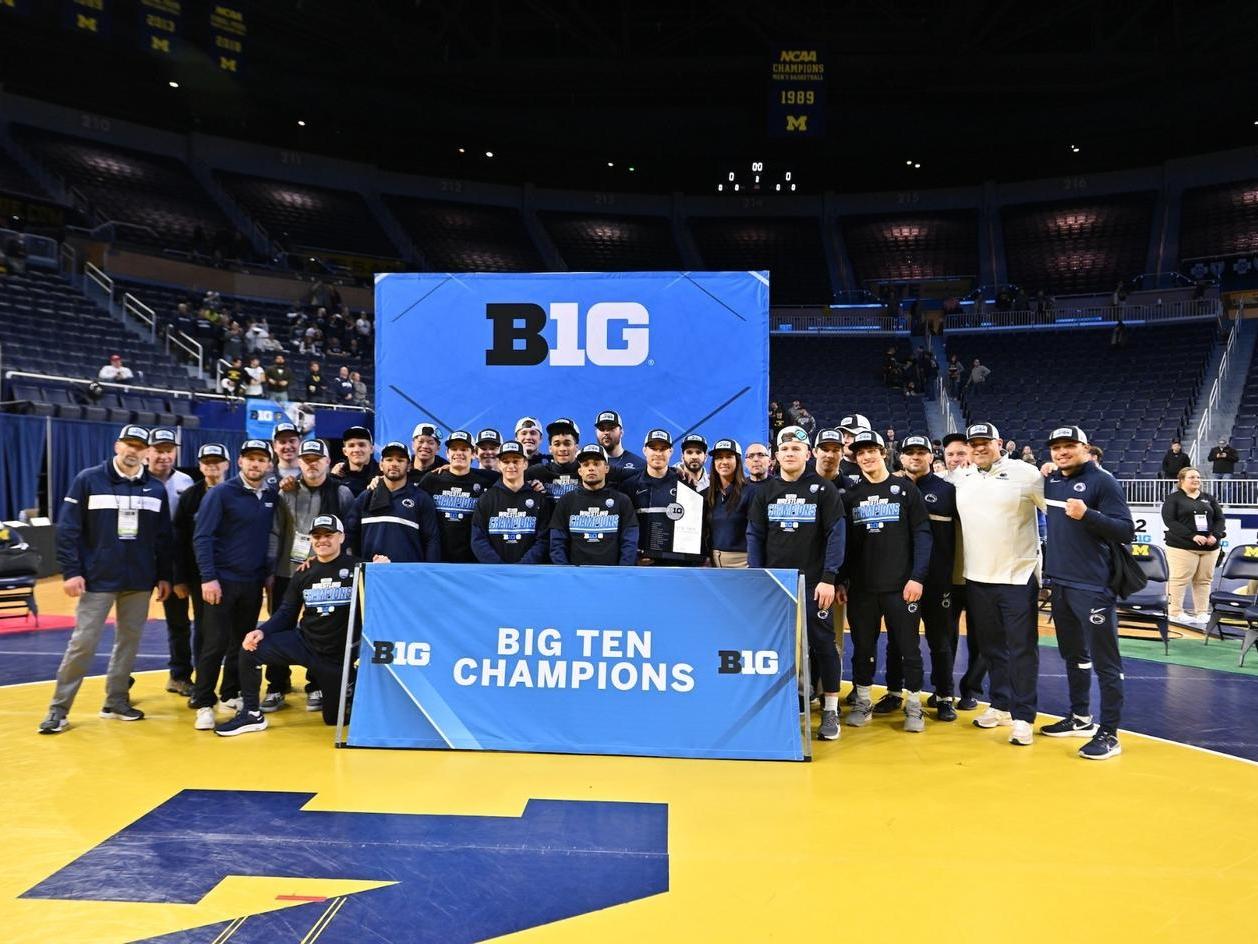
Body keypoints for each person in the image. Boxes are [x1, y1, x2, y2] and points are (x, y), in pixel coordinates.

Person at [39, 425, 173, 734]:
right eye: (128, 444)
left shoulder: (155, 489)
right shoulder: (88, 479)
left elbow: (163, 539)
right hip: (97, 579)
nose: (133, 451)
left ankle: (116, 701)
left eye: (140, 447)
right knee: (82, 644)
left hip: (139, 581)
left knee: (129, 643)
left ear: (147, 453)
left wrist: (164, 575)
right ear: (117, 446)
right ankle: (58, 710)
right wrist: (71, 571)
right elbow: (68, 530)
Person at [947, 422, 1046, 747]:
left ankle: (1023, 717)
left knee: (1021, 650)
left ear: (999, 443)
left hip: (1017, 577)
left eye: (984, 443)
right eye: (973, 443)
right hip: (977, 578)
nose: (979, 448)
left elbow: (1056, 513)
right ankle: (1001, 704)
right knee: (991, 649)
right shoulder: (961, 477)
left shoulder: (1027, 474)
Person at [215, 514, 359, 735]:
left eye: (328, 535)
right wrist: (261, 632)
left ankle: (351, 681)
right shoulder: (304, 573)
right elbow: (287, 612)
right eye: (317, 536)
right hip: (306, 643)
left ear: (341, 537)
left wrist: (382, 568)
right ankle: (252, 714)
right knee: (249, 649)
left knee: (332, 719)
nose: (322, 541)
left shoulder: (359, 568)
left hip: (335, 656)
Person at [1040, 426, 1134, 760]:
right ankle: (1080, 717)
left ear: (1084, 447)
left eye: (1069, 446)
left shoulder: (1102, 481)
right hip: (1061, 583)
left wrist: (1088, 515)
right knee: (1074, 656)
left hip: (1093, 586)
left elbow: (1126, 530)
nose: (1062, 452)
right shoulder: (1051, 479)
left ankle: (1110, 733)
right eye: (1056, 447)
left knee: (1106, 662)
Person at [747, 426, 846, 741]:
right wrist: (759, 576)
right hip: (777, 583)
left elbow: (836, 535)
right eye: (784, 449)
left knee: (822, 644)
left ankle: (830, 709)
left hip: (815, 583)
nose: (790, 453)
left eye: (796, 449)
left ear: (808, 454)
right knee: (779, 646)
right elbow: (756, 535)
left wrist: (829, 577)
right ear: (777, 456)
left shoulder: (824, 490)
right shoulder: (764, 492)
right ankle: (782, 704)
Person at [840, 431, 932, 733]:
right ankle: (863, 701)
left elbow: (922, 535)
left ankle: (914, 706)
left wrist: (917, 578)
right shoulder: (852, 496)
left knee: (908, 648)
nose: (866, 457)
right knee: (863, 647)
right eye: (861, 452)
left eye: (872, 451)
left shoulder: (905, 490)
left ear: (883, 452)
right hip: (863, 589)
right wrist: (841, 580)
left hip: (900, 587)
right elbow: (846, 545)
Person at [190, 440, 279, 732]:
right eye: (250, 459)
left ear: (269, 464)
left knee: (242, 644)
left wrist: (266, 575)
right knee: (213, 643)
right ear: (240, 462)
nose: (256, 464)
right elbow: (203, 537)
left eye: (261, 459)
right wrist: (208, 577)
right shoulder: (221, 493)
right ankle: (203, 702)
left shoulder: (269, 495)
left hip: (252, 582)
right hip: (222, 581)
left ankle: (230, 694)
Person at [266, 438, 354, 712]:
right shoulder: (286, 492)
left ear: (328, 461)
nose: (311, 463)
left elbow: (348, 536)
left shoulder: (341, 493)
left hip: (324, 572)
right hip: (287, 571)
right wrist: (270, 569)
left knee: (322, 629)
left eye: (317, 459)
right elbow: (275, 532)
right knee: (280, 624)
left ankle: (316, 683)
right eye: (306, 459)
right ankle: (276, 684)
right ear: (298, 462)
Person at [884, 435, 960, 722]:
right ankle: (893, 692)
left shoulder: (947, 491)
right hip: (900, 580)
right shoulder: (892, 489)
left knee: (939, 640)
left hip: (938, 580)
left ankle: (944, 696)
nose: (915, 457)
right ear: (901, 457)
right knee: (896, 639)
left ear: (931, 456)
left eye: (921, 452)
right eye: (909, 453)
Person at [172, 443, 230, 699]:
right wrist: (179, 577)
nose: (212, 465)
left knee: (234, 630)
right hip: (201, 577)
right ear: (200, 465)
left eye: (217, 461)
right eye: (207, 461)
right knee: (204, 629)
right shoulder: (190, 496)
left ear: (227, 464)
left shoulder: (239, 491)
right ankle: (202, 682)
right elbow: (180, 541)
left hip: (235, 574)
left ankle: (233, 685)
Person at [146, 428, 195, 696]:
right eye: (158, 450)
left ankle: (179, 675)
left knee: (178, 623)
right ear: (147, 452)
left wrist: (177, 573)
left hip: (175, 560)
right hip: (141, 560)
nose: (164, 455)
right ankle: (121, 680)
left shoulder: (185, 481)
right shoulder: (136, 479)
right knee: (129, 625)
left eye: (169, 450)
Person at [941, 432, 985, 710]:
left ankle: (971, 689)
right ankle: (944, 689)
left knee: (980, 637)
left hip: (981, 572)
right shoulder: (941, 484)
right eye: (950, 455)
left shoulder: (985, 482)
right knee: (945, 636)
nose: (956, 459)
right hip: (948, 573)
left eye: (961, 453)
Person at [345, 441, 442, 563]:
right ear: (381, 465)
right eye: (389, 460)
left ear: (409, 466)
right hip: (371, 574)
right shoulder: (365, 497)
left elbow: (432, 540)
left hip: (408, 575)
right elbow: (349, 536)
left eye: (400, 460)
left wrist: (429, 572)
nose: (394, 464)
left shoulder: (421, 499)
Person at [549, 444, 638, 566]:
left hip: (612, 577)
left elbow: (629, 542)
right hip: (575, 577)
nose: (591, 468)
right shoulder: (566, 501)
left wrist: (621, 573)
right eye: (586, 465)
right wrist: (567, 573)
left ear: (607, 468)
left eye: (596, 464)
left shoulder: (622, 501)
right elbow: (557, 543)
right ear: (580, 471)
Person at [626, 429, 705, 566]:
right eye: (653, 448)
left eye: (663, 449)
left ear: (671, 452)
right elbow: (625, 528)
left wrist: (695, 560)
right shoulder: (630, 485)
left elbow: (696, 528)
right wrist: (633, 558)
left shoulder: (686, 484)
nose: (658, 453)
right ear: (644, 450)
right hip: (642, 566)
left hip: (678, 567)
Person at [1161, 466, 1226, 624]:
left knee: (1204, 581)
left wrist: (1216, 535)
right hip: (1181, 546)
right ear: (1181, 480)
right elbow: (1170, 521)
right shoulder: (1174, 499)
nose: (1196, 480)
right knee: (1179, 579)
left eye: (1198, 477)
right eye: (1191, 477)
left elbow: (1220, 519)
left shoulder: (1208, 498)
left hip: (1209, 548)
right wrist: (1192, 536)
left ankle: (1202, 612)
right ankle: (1175, 612)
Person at [421, 430, 498, 562]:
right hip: (439, 557)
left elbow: (512, 479)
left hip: (472, 559)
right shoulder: (432, 479)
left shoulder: (487, 479)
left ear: (473, 454)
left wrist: (532, 482)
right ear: (447, 453)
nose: (458, 453)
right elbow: (411, 497)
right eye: (454, 449)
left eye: (464, 449)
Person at [471, 441, 551, 564]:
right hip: (495, 574)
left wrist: (523, 566)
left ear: (525, 464)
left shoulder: (539, 498)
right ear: (499, 464)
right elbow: (478, 540)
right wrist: (500, 568)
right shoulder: (486, 498)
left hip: (529, 574)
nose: (511, 466)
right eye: (506, 461)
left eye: (516, 461)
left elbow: (543, 540)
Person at [706, 439, 755, 568]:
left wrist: (755, 566)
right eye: (719, 458)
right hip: (713, 563)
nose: (724, 462)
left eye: (729, 457)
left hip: (743, 563)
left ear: (738, 460)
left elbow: (757, 533)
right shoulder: (708, 494)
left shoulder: (750, 492)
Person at [528, 418, 583, 498]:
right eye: (557, 444)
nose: (562, 449)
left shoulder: (586, 473)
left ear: (577, 447)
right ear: (550, 448)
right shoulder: (536, 472)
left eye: (567, 444)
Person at [330, 425, 379, 496]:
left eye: (362, 445)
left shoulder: (382, 475)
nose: (356, 450)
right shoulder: (335, 478)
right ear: (344, 451)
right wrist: (332, 478)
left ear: (371, 449)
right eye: (351, 445)